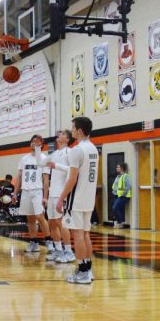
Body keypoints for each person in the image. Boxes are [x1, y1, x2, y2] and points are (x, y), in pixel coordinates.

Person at [57, 116, 99, 284]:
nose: (71, 130)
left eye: (73, 127)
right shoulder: (93, 148)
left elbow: (72, 178)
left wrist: (61, 198)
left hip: (77, 198)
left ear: (80, 131)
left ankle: (82, 271)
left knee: (78, 235)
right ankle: (88, 269)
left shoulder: (77, 150)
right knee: (85, 234)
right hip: (89, 199)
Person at [13, 134, 52, 255]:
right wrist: (15, 193)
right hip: (25, 191)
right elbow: (19, 177)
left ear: (41, 144)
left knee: (40, 216)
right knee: (29, 218)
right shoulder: (24, 159)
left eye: (36, 141)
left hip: (37, 191)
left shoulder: (44, 159)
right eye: (32, 141)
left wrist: (45, 197)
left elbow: (46, 179)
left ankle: (49, 241)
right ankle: (33, 242)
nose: (33, 143)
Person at [45, 130, 76, 263]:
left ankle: (69, 252)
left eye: (62, 134)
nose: (59, 135)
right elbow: (41, 163)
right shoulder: (54, 154)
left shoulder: (71, 153)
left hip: (62, 193)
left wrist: (56, 166)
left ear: (68, 139)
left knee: (61, 223)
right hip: (52, 193)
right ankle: (58, 250)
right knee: (52, 223)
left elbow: (72, 171)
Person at [111, 163, 132, 228]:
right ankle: (119, 222)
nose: (116, 168)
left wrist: (123, 194)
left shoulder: (126, 176)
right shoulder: (118, 176)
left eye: (118, 167)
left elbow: (128, 186)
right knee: (118, 209)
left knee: (115, 208)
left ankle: (120, 223)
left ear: (122, 168)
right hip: (116, 195)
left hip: (123, 196)